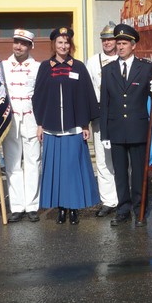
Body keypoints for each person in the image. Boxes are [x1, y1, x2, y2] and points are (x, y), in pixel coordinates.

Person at [32, 27, 99, 225]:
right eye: (60, 42)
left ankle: (73, 208)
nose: (63, 46)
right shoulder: (45, 67)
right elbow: (39, 97)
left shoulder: (78, 66)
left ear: (71, 45)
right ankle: (60, 208)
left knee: (72, 169)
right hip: (52, 128)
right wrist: (40, 124)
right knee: (56, 169)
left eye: (66, 42)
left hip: (73, 127)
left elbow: (86, 96)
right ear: (54, 45)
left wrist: (84, 124)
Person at [99, 24, 152, 227]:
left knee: (138, 172)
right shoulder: (108, 70)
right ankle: (123, 209)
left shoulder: (145, 68)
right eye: (118, 43)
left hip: (137, 129)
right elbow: (105, 103)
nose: (120, 47)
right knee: (120, 173)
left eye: (124, 43)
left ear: (133, 45)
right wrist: (104, 134)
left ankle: (139, 209)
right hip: (116, 129)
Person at [2, 29, 42, 223]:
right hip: (9, 121)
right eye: (16, 42)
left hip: (31, 120)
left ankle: (32, 205)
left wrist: (42, 123)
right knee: (12, 164)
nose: (18, 46)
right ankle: (17, 206)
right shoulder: (2, 66)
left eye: (23, 43)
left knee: (33, 162)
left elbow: (42, 96)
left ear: (30, 46)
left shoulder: (37, 67)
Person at [86, 22, 119, 217]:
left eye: (111, 39)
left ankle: (124, 196)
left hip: (121, 116)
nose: (107, 43)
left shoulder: (125, 59)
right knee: (103, 159)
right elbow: (88, 90)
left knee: (123, 159)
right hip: (100, 116)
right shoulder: (92, 61)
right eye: (104, 40)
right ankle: (108, 200)